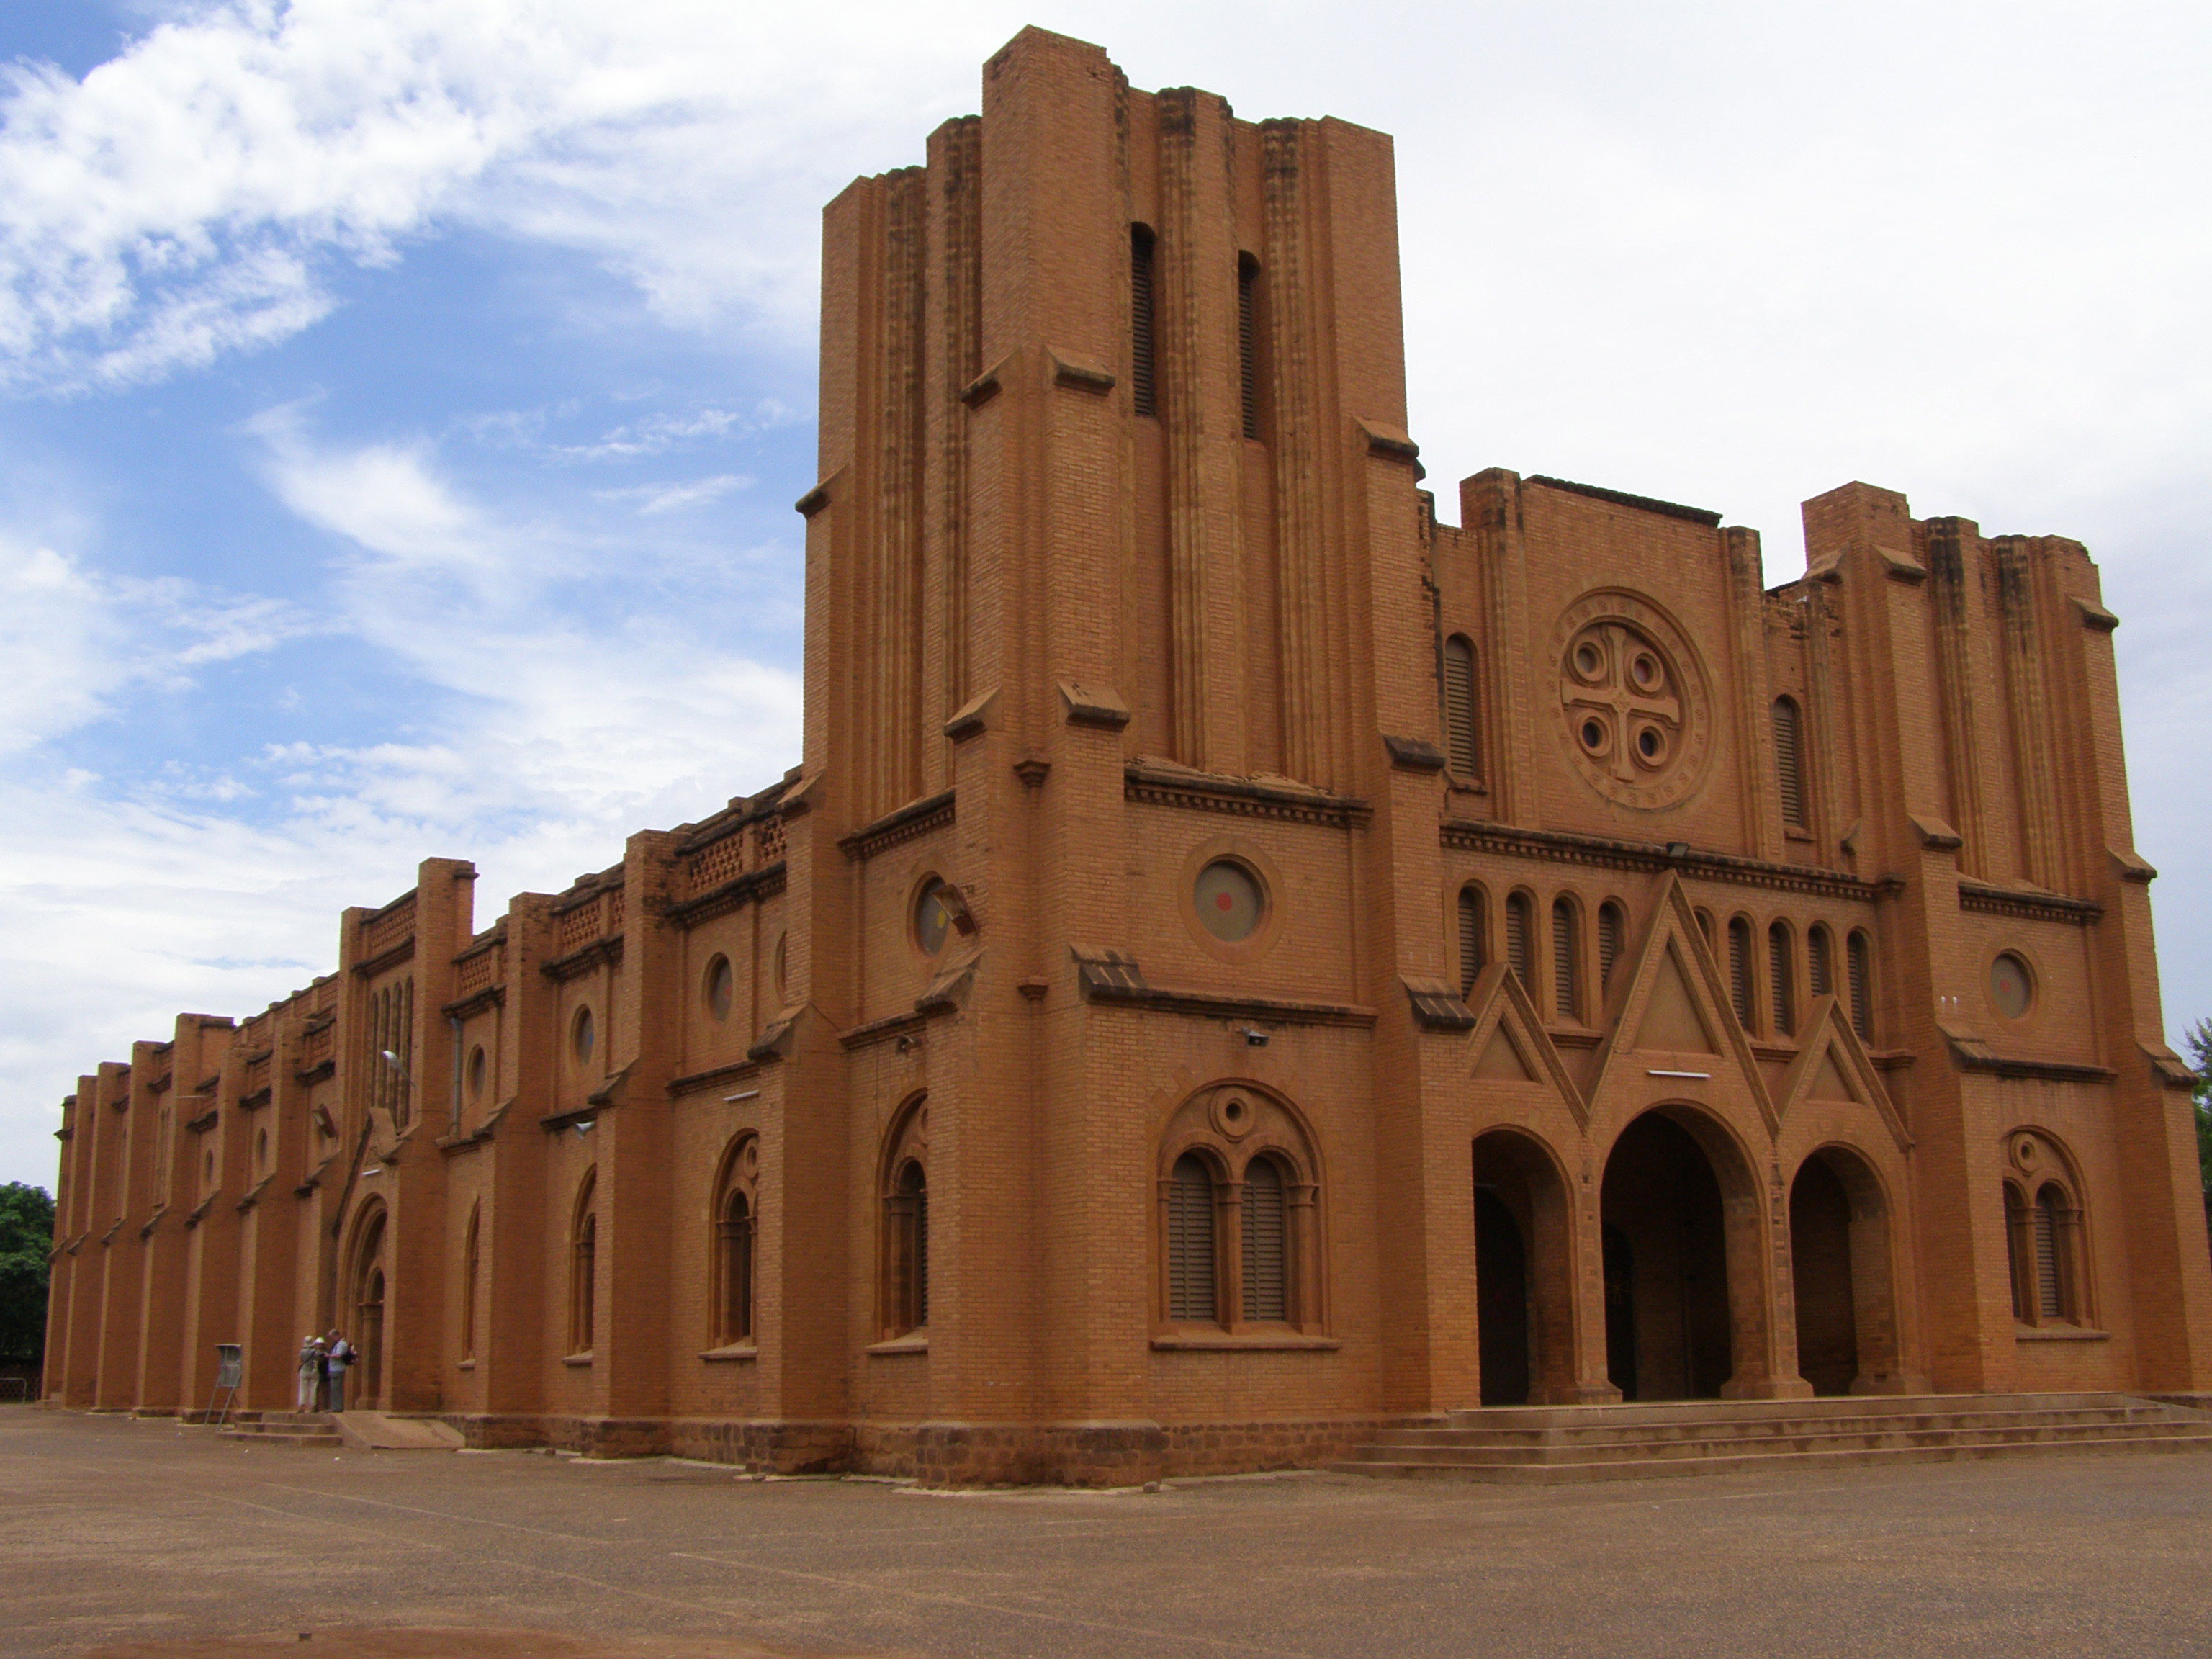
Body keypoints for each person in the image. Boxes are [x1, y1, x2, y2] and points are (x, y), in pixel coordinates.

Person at [324, 1329, 354, 1413]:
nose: (332, 1339)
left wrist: (328, 1356)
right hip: (334, 1369)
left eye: (332, 1337)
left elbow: (338, 1355)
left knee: (336, 1388)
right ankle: (335, 1407)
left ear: (336, 1335)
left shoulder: (341, 1344)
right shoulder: (337, 1344)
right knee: (334, 1389)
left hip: (338, 1369)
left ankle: (337, 1407)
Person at [295, 1335, 324, 1413]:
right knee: (313, 1388)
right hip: (313, 1370)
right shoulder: (315, 1352)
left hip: (304, 1370)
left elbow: (301, 1360)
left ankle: (302, 1406)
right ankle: (313, 1406)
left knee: (303, 1389)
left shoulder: (302, 1351)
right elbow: (319, 1357)